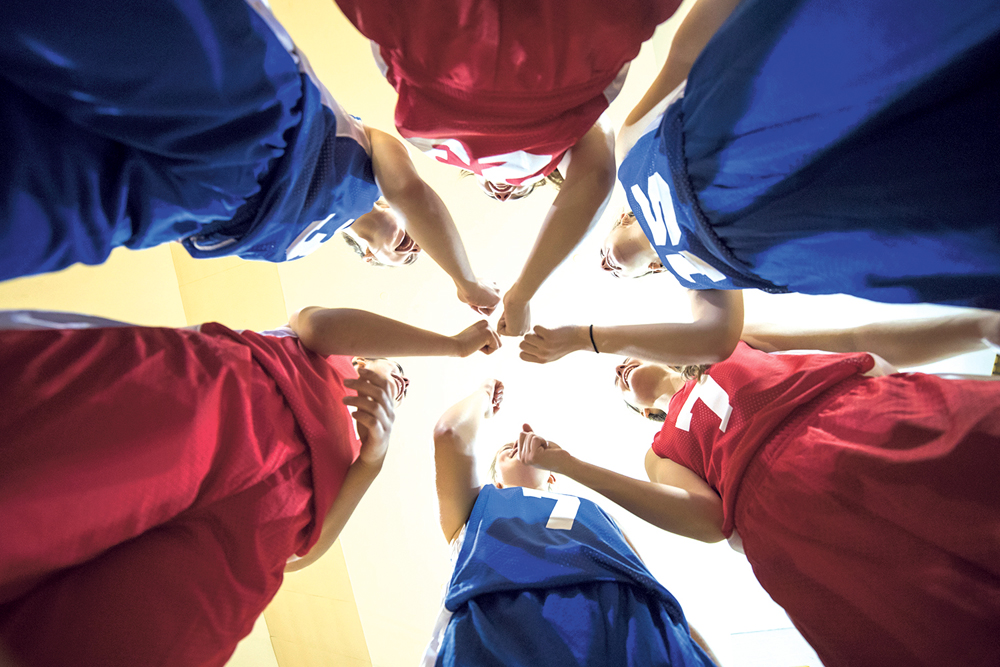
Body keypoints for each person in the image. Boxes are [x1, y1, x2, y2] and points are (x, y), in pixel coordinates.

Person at [0, 307, 500, 667]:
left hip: (264, 532)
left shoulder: (361, 449)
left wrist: (374, 456)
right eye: (398, 366)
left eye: (405, 386)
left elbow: (305, 554)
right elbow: (321, 325)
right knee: (37, 492)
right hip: (235, 403)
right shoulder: (318, 349)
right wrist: (451, 346)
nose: (400, 381)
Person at [515, 312, 1000, 667]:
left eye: (626, 359)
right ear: (642, 413)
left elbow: (852, 337)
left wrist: (976, 327)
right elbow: (704, 521)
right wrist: (569, 465)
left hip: (851, 419)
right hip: (787, 520)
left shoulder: (730, 343)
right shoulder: (661, 449)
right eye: (618, 385)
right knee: (921, 617)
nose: (619, 371)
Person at [1, 0, 499, 315]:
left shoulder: (296, 251)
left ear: (369, 255)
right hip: (259, 125)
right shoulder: (371, 159)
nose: (410, 250)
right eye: (417, 248)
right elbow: (412, 192)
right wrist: (466, 281)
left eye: (398, 260)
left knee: (26, 212)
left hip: (182, 208)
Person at [590, 0, 1000, 363]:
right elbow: (715, 343)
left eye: (603, 256)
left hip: (775, 113)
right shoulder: (696, 279)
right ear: (655, 268)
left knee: (917, 45)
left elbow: (682, 56)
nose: (609, 267)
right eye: (621, 275)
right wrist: (587, 339)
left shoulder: (628, 155)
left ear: (620, 217)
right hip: (828, 226)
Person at [333, 0, 684, 335]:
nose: (505, 190)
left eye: (503, 189)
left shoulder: (429, 148)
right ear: (550, 173)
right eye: (521, 188)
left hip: (427, 44)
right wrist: (522, 293)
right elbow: (593, 181)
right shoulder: (567, 141)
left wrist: (470, 283)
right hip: (568, 51)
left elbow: (408, 193)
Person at [426, 379, 719, 666]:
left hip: (637, 633)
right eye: (507, 449)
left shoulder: (595, 513)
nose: (518, 444)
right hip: (504, 635)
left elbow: (650, 584)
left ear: (552, 476)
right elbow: (449, 434)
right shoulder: (477, 506)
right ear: (497, 482)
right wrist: (484, 393)